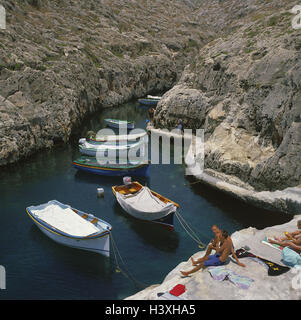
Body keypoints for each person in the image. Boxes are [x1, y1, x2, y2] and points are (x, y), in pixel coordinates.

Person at [180, 230, 245, 277]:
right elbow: (233, 253)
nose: (219, 236)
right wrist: (238, 262)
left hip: (220, 261)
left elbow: (217, 251)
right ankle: (195, 263)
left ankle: (188, 273)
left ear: (223, 237)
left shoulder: (225, 244)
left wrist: (216, 245)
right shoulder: (229, 242)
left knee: (203, 264)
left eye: (220, 236)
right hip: (219, 256)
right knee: (206, 257)